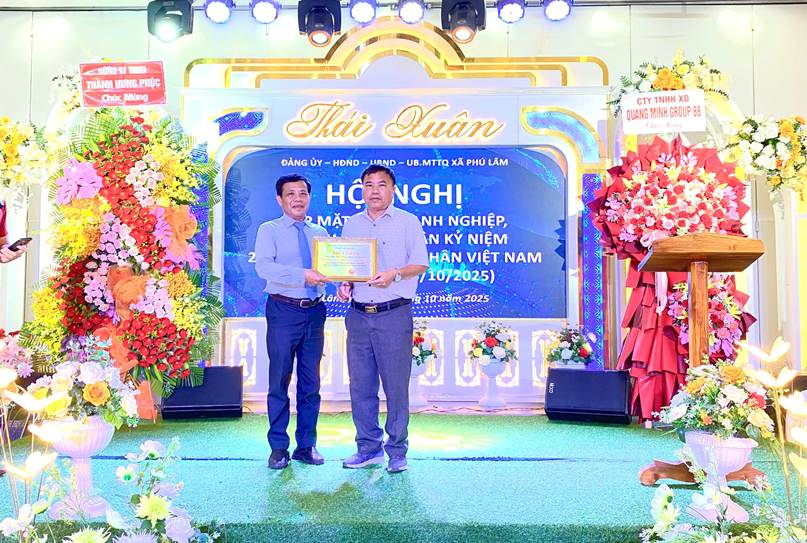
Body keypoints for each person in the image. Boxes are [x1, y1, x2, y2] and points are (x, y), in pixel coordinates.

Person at [338, 164, 428, 474]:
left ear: (393, 190)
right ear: (361, 189)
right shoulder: (351, 224)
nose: (374, 190)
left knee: (395, 387)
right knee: (361, 386)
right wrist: (344, 283)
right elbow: (348, 267)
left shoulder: (408, 222)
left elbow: (421, 263)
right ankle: (368, 448)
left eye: (381, 185)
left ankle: (397, 451)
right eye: (368, 185)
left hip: (394, 314)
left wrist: (395, 274)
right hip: (359, 315)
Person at [254, 174, 330, 470]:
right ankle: (278, 448)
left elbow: (330, 268)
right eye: (291, 194)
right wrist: (302, 276)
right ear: (280, 199)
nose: (298, 199)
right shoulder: (269, 230)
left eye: (303, 193)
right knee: (279, 380)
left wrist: (346, 282)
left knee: (311, 383)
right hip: (283, 311)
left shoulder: (320, 232)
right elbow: (264, 268)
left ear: (309, 197)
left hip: (315, 312)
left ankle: (306, 446)